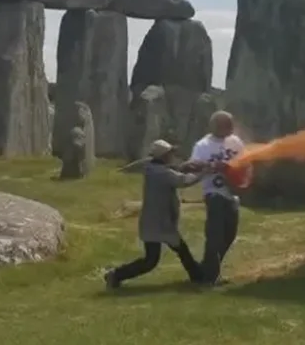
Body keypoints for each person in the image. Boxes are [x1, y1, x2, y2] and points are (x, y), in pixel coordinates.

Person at [104, 139, 205, 289]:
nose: (172, 156)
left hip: (154, 221)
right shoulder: (161, 173)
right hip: (160, 223)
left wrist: (185, 166)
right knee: (160, 258)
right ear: (163, 156)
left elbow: (172, 169)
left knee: (158, 257)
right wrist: (204, 173)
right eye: (170, 153)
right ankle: (116, 274)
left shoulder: (152, 168)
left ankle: (116, 274)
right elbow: (183, 181)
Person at [185, 110, 249, 286]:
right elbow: (193, 165)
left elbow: (245, 161)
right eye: (227, 124)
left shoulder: (235, 142)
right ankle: (210, 277)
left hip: (232, 194)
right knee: (215, 236)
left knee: (230, 234)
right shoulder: (203, 145)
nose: (231, 128)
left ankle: (207, 269)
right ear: (216, 125)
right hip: (214, 193)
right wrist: (212, 165)